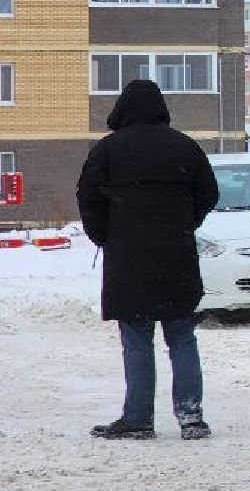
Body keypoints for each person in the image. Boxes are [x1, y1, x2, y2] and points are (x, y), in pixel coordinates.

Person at [76, 79, 219, 441]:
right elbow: (209, 194)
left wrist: (106, 236)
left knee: (137, 340)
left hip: (129, 261)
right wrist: (183, 223)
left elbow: (88, 199)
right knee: (182, 337)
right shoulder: (185, 148)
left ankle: (138, 418)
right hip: (176, 257)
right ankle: (191, 417)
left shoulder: (107, 151)